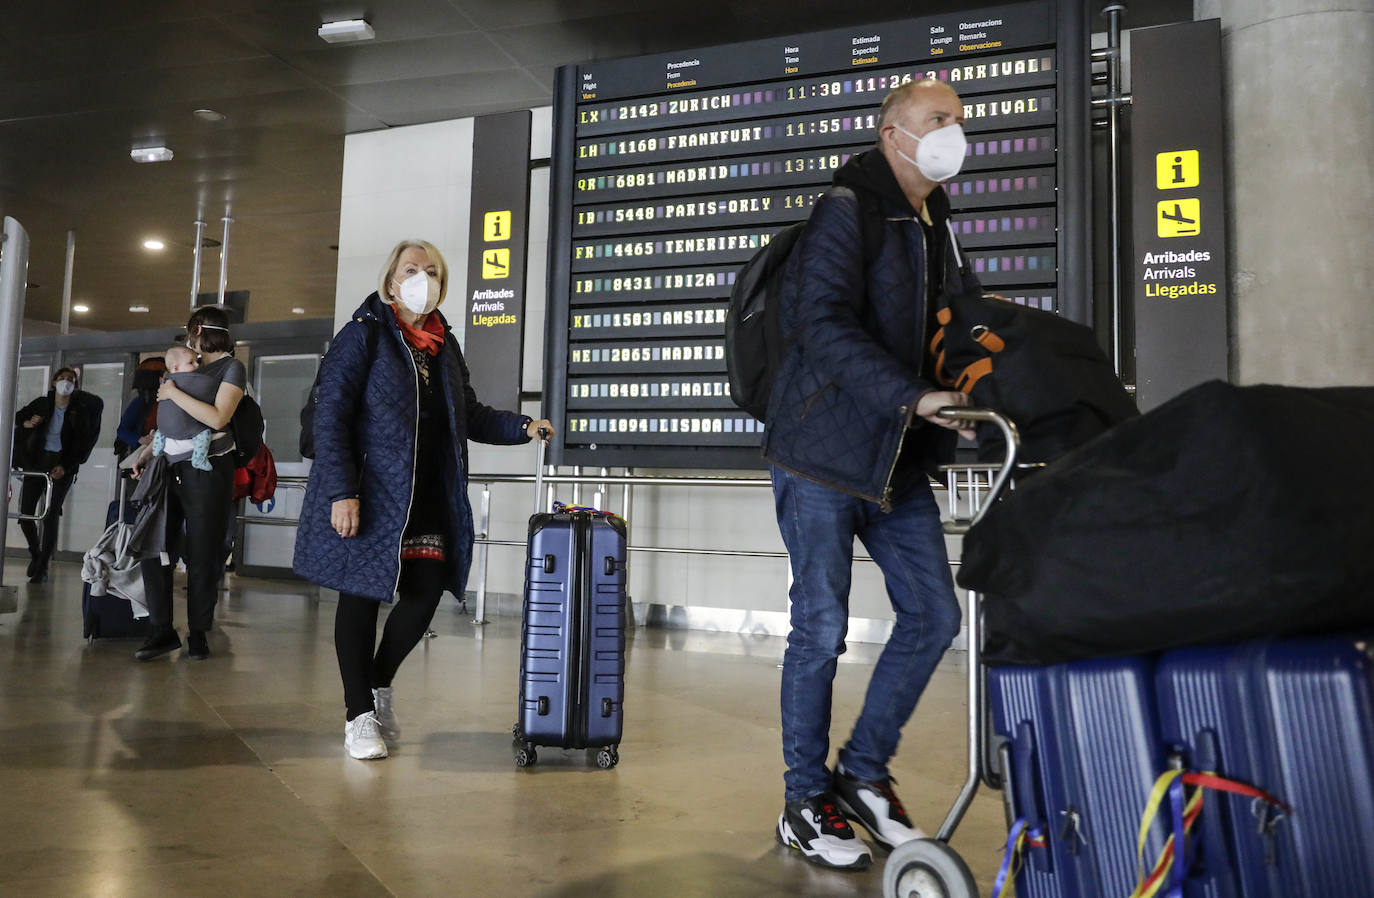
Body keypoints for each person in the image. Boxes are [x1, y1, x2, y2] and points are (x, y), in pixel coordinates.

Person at [762, 79, 981, 870]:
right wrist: (912, 395)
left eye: (958, 119)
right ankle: (803, 800)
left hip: (898, 457)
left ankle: (861, 775)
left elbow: (962, 328)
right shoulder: (847, 208)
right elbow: (819, 323)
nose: (955, 130)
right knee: (820, 629)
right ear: (895, 135)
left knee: (934, 616)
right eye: (939, 119)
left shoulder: (937, 226)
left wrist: (978, 387)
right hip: (821, 452)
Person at [293, 239, 553, 761]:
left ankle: (377, 685)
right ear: (391, 282)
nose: (422, 278)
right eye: (412, 269)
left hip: (428, 492)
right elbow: (331, 417)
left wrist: (523, 427)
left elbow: (470, 413)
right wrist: (343, 492)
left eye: (432, 271)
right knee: (360, 598)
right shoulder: (362, 336)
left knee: (425, 593)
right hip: (370, 491)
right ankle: (357, 716)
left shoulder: (443, 345)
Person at [128, 307, 247, 661]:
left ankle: (198, 633)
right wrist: (147, 454)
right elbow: (172, 423)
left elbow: (218, 417)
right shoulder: (183, 364)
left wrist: (172, 391)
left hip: (208, 469)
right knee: (155, 546)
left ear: (196, 329)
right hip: (169, 466)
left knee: (202, 553)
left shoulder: (230, 367)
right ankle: (161, 629)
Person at [14, 367, 104, 583]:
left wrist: (66, 465)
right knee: (26, 513)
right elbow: (17, 417)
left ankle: (43, 565)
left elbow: (82, 442)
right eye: (62, 379)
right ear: (53, 382)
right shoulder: (42, 404)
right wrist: (27, 423)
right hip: (37, 461)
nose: (66, 383)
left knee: (51, 513)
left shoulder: (80, 409)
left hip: (63, 464)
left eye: (70, 380)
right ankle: (35, 554)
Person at [114, 357, 165, 462]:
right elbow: (122, 431)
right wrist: (141, 439)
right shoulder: (141, 401)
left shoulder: (171, 398)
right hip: (145, 453)